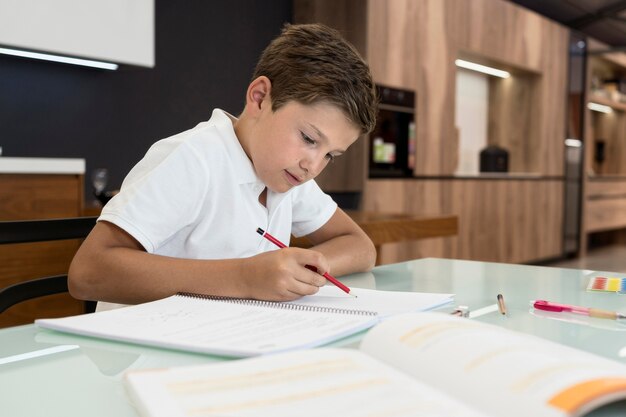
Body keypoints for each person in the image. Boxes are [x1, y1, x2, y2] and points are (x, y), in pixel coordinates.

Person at [68, 23, 378, 309]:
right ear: (259, 98)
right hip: (141, 354)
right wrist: (245, 278)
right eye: (309, 138)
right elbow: (87, 273)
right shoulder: (194, 158)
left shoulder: (289, 175)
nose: (313, 165)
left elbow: (361, 247)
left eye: (330, 155)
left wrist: (299, 270)